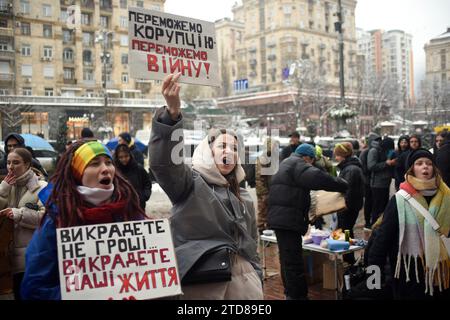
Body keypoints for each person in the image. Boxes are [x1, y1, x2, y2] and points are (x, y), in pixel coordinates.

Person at [149, 73, 263, 300]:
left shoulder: (245, 198)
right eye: (222, 146)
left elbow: (252, 246)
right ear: (207, 151)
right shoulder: (189, 183)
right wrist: (171, 117)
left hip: (245, 288)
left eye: (233, 148)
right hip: (201, 286)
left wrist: (256, 276)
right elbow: (163, 165)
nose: (228, 152)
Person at [20, 140, 146, 300]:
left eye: (109, 162)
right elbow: (35, 288)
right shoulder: (57, 220)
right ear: (78, 172)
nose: (105, 169)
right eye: (94, 164)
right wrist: (85, 294)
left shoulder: (130, 212)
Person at [267, 143, 348, 300]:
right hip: (288, 221)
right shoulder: (298, 164)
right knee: (294, 263)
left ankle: (290, 293)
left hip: (280, 219)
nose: (311, 164)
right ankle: (298, 296)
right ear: (307, 157)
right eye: (311, 161)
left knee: (286, 260)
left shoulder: (286, 163)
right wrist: (342, 184)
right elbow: (319, 178)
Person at [368, 148, 450, 299]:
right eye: (419, 163)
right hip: (410, 275)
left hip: (441, 274)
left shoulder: (446, 197)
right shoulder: (400, 199)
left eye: (429, 163)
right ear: (412, 170)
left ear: (434, 169)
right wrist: (372, 282)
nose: (425, 166)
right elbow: (382, 240)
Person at [0, 148, 47, 300]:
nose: (11, 167)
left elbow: (47, 218)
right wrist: (3, 190)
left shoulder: (43, 187)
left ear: (27, 164)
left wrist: (20, 214)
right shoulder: (5, 186)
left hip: (31, 260)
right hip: (6, 262)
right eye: (8, 163)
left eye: (16, 162)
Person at [334, 142, 364, 264]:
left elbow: (348, 188)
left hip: (347, 207)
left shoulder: (350, 169)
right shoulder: (350, 167)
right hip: (349, 206)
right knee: (346, 229)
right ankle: (348, 255)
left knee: (346, 230)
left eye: (337, 155)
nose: (335, 158)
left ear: (343, 155)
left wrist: (344, 204)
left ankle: (348, 257)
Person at [367, 134, 395, 226]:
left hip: (385, 183)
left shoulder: (382, 150)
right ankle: (374, 225)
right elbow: (371, 166)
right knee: (377, 207)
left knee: (383, 207)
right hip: (377, 184)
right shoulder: (374, 151)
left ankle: (380, 226)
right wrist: (386, 163)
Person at [113, 143, 152, 211]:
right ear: (117, 157)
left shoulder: (138, 168)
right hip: (120, 209)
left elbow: (147, 183)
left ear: (130, 155)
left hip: (139, 207)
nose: (124, 159)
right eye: (121, 157)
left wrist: (144, 196)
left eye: (126, 156)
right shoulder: (114, 171)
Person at [255, 137, 279, 234]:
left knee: (269, 210)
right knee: (262, 211)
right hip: (263, 191)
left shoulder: (272, 158)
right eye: (274, 146)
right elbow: (259, 178)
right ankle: (261, 230)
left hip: (270, 189)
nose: (276, 148)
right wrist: (264, 193)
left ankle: (268, 228)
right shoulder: (263, 158)